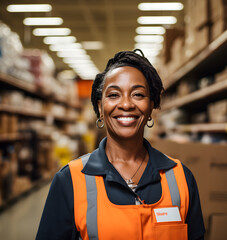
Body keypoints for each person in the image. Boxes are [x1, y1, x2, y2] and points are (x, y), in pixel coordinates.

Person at [36, 49, 205, 240]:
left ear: (152, 106)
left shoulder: (180, 178)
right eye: (114, 95)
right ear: (100, 107)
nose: (126, 104)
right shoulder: (70, 181)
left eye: (138, 95)